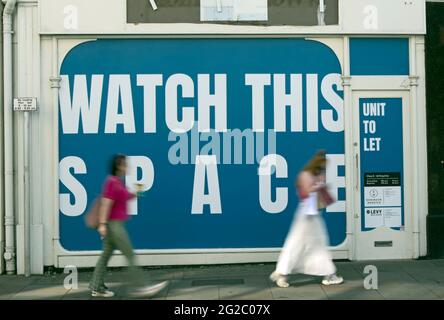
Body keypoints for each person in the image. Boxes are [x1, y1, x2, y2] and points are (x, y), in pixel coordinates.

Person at [89, 154, 169, 298]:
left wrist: (135, 193)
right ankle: (141, 287)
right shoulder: (112, 182)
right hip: (114, 226)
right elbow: (106, 204)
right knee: (130, 255)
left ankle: (96, 286)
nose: (127, 167)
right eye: (125, 164)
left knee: (105, 256)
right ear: (119, 166)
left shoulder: (117, 182)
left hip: (114, 225)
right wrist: (102, 224)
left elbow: (123, 197)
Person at [270, 150, 344, 288]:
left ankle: (282, 273)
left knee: (299, 243)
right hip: (309, 214)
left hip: (307, 213)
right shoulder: (308, 175)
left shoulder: (305, 174)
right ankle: (328, 275)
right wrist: (319, 184)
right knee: (315, 243)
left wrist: (320, 184)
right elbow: (307, 192)